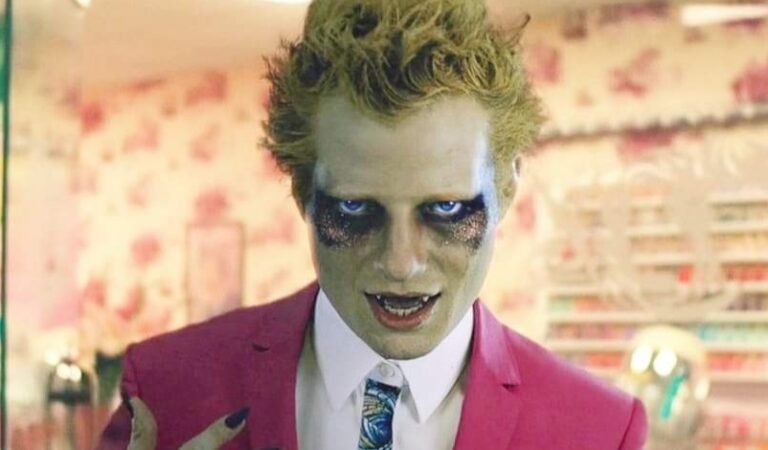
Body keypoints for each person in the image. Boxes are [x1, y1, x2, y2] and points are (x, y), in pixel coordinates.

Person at [97, 0, 648, 449]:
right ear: (301, 190)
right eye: (357, 209)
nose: (401, 262)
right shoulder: (166, 386)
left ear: (505, 187)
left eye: (446, 209)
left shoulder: (600, 431)